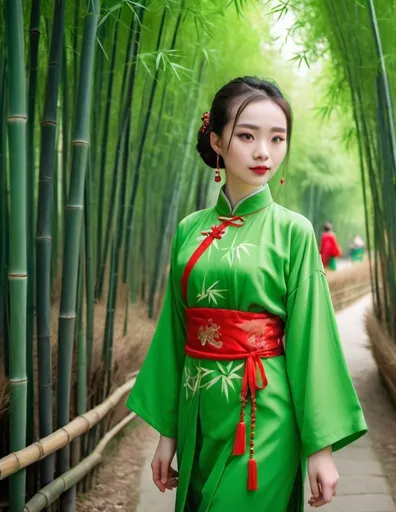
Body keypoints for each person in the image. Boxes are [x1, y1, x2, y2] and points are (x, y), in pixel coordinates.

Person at [126, 76, 367, 511]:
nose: (264, 152)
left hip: (263, 417)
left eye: (277, 138)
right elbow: (174, 333)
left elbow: (313, 340)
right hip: (199, 409)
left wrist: (321, 448)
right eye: (247, 136)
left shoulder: (294, 231)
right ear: (217, 141)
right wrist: (169, 434)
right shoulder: (189, 229)